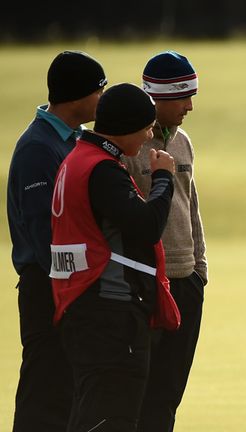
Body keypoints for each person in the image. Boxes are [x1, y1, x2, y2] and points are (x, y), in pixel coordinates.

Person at [50, 83, 180, 432]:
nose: (150, 134)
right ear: (128, 126)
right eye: (147, 126)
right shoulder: (101, 169)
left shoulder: (77, 158)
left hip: (85, 305)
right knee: (112, 416)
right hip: (110, 310)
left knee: (90, 412)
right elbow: (147, 225)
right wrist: (164, 179)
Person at [6, 50, 107, 431]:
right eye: (100, 90)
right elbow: (43, 231)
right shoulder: (39, 147)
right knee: (45, 391)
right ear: (77, 95)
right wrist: (78, 283)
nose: (103, 98)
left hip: (69, 283)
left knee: (67, 392)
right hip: (47, 286)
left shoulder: (76, 140)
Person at [122, 50, 208, 431]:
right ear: (157, 97)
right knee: (135, 393)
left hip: (185, 280)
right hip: (144, 282)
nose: (190, 105)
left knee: (168, 393)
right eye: (182, 97)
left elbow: (191, 206)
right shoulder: (128, 144)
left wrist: (199, 270)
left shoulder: (183, 141)